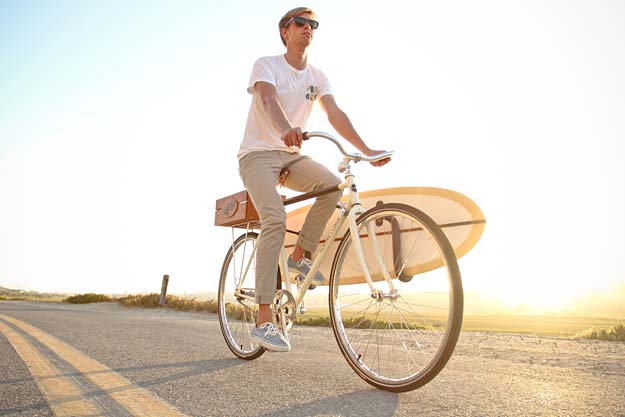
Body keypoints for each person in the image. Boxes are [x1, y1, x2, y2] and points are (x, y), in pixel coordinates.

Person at [238, 7, 390, 352]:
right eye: (300, 23)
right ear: (284, 31)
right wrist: (283, 129)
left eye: (313, 24)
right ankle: (264, 320)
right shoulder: (267, 64)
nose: (308, 28)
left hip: (292, 156)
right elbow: (266, 97)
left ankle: (301, 253)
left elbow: (334, 113)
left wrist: (366, 149)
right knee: (274, 218)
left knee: (331, 189)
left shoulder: (318, 76)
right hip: (257, 155)